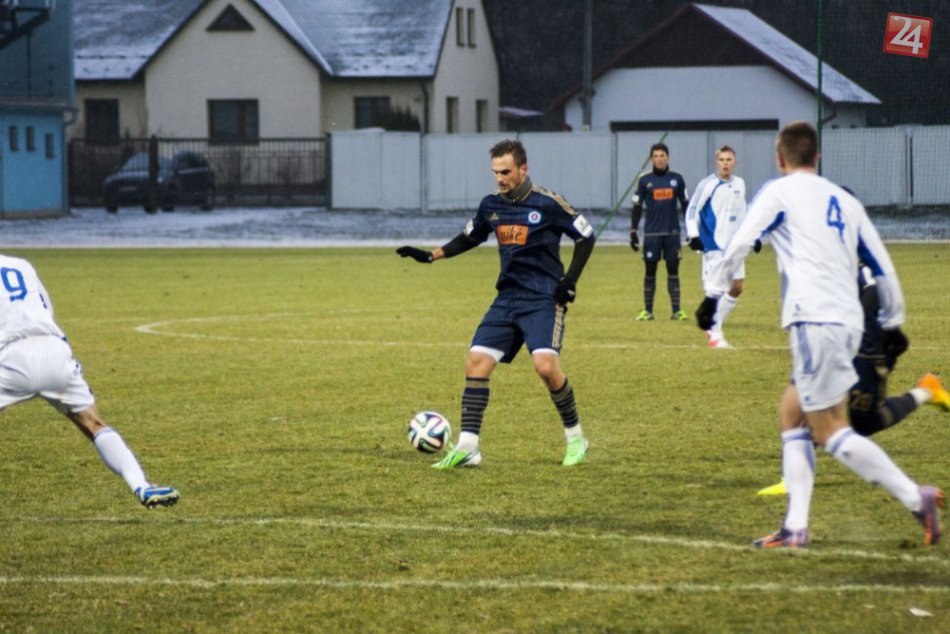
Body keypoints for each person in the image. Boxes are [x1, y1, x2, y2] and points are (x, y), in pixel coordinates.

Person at [696, 120, 943, 547]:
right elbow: (880, 262)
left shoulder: (778, 191)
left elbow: (740, 241)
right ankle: (795, 525)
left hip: (814, 319)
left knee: (830, 431)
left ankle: (915, 498)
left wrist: (714, 295)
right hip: (847, 321)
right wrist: (893, 321)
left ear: (780, 158)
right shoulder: (842, 199)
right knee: (791, 415)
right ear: (817, 157)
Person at [397, 139, 596, 468]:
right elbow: (471, 236)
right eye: (495, 172)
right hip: (507, 298)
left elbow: (585, 236)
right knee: (476, 361)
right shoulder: (491, 205)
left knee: (546, 367)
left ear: (523, 169)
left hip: (543, 298)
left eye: (505, 172)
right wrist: (430, 256)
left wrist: (569, 281)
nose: (500, 178)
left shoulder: (548, 203)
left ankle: (576, 438)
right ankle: (468, 447)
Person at [0, 254, 180, 509]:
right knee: (93, 423)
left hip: (10, 357)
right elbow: (46, 310)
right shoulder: (21, 265)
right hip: (54, 351)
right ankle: (141, 485)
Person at [757, 266, 950, 496]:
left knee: (859, 421)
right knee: (817, 408)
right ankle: (792, 480)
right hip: (839, 348)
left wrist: (850, 329)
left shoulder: (857, 265)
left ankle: (927, 391)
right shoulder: (822, 263)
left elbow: (873, 293)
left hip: (864, 352)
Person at [685, 146, 754, 348]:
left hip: (735, 246)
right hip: (713, 244)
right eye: (722, 159)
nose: (725, 163)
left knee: (737, 287)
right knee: (714, 290)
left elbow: (743, 211)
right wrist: (693, 235)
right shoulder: (708, 184)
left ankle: (714, 325)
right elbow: (692, 210)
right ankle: (715, 332)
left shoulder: (740, 183)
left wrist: (753, 236)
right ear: (717, 162)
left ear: (735, 162)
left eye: (729, 159)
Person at [630, 143, 689, 321]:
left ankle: (677, 311)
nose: (659, 159)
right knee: (650, 271)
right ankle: (648, 311)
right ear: (651, 159)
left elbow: (686, 205)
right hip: (651, 234)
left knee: (673, 271)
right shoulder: (644, 180)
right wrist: (633, 230)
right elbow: (637, 207)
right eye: (656, 156)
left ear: (667, 157)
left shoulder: (677, 179)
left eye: (662, 155)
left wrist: (691, 229)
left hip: (672, 233)